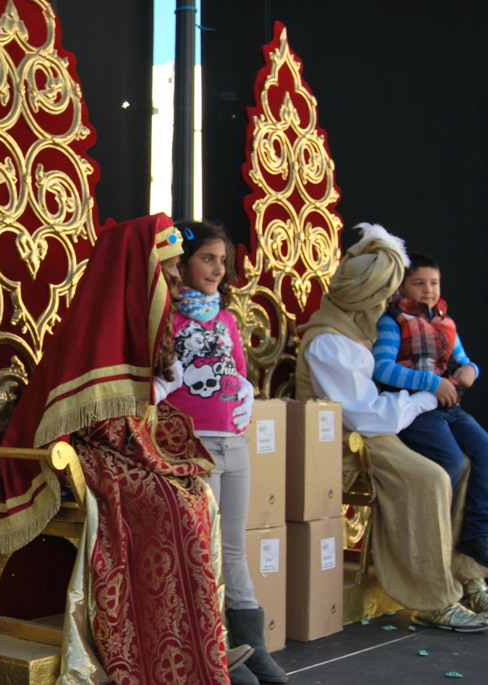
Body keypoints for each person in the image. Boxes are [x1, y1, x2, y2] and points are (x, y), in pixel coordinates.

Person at [0, 214, 230, 684]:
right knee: (169, 504)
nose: (176, 277)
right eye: (170, 268)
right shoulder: (99, 324)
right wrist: (149, 441)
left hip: (127, 448)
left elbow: (141, 411)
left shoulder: (146, 317)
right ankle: (147, 646)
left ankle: (198, 642)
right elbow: (94, 421)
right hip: (93, 450)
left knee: (198, 496)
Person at [295, 223, 488, 631]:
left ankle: (463, 571)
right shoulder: (330, 341)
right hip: (352, 442)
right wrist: (427, 396)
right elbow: (365, 416)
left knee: (467, 462)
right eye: (383, 294)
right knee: (429, 479)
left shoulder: (355, 332)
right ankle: (432, 600)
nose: (388, 302)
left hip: (380, 429)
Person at [162, 221, 286, 684]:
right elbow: (156, 380)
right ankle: (212, 650)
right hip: (196, 447)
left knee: (233, 546)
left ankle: (253, 647)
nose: (217, 269)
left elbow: (238, 370)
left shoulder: (226, 319)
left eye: (223, 261)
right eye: (207, 259)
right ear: (184, 263)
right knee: (204, 550)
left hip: (235, 444)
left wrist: (245, 392)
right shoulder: (167, 318)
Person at [371, 252, 488, 569]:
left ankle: (476, 532)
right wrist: (432, 383)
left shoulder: (444, 321)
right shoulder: (393, 321)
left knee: (484, 448)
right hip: (418, 410)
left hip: (450, 407)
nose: (428, 290)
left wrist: (471, 370)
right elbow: (383, 369)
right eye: (419, 283)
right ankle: (432, 530)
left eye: (434, 283)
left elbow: (464, 360)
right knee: (450, 460)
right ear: (402, 286)